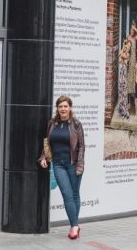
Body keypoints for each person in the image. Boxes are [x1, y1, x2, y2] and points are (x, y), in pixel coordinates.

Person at [38, 96, 86, 240]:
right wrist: (44, 157)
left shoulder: (76, 124)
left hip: (73, 164)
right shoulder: (52, 124)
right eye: (60, 106)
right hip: (58, 164)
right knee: (67, 194)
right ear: (57, 108)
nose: (63, 109)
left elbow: (82, 146)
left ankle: (74, 224)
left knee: (75, 194)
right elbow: (47, 143)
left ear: (70, 108)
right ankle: (75, 225)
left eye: (65, 106)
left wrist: (80, 164)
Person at [116, 43, 131, 120]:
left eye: (129, 47)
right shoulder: (122, 52)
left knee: (124, 94)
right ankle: (122, 111)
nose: (127, 48)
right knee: (121, 94)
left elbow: (123, 57)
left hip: (124, 77)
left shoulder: (127, 54)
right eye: (127, 46)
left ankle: (125, 112)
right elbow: (119, 55)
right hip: (121, 76)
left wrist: (124, 51)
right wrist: (123, 47)